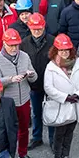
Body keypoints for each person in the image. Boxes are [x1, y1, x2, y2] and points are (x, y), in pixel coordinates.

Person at [0, 28, 36, 158]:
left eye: (16, 45)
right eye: (11, 45)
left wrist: (32, 75)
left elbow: (34, 78)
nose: (15, 48)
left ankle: (23, 153)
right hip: (7, 102)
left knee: (24, 129)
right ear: (4, 43)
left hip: (25, 100)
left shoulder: (25, 56)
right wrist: (10, 79)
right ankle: (3, 157)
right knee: (5, 132)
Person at [43, 34, 79, 158]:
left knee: (70, 132)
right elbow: (48, 87)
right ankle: (58, 156)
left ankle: (66, 155)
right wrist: (64, 97)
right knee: (60, 133)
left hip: (75, 104)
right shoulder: (51, 67)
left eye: (67, 49)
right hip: (60, 105)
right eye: (61, 50)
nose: (64, 52)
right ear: (56, 50)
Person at [24, 12, 55, 150]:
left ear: (44, 27)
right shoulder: (24, 44)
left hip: (51, 85)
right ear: (29, 28)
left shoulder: (53, 42)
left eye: (39, 28)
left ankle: (53, 140)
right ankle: (37, 137)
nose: (36, 31)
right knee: (36, 112)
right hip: (34, 86)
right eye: (34, 28)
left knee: (52, 112)